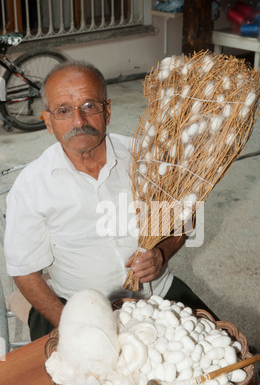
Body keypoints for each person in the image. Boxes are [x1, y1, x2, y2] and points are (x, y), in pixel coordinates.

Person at [4, 60, 217, 341]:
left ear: (107, 110)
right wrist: (69, 324)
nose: (79, 121)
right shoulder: (32, 186)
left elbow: (183, 221)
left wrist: (162, 253)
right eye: (64, 111)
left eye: (89, 106)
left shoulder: (148, 159)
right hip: (75, 308)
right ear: (48, 122)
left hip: (157, 296)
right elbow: (26, 272)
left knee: (230, 359)